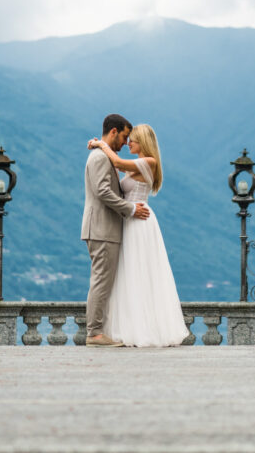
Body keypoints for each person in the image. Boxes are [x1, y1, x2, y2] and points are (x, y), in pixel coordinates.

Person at [88, 123, 189, 347]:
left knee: (140, 270)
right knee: (129, 273)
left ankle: (144, 329)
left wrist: (100, 143)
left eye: (131, 139)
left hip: (139, 219)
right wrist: (102, 145)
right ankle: (131, 326)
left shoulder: (149, 162)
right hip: (129, 219)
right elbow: (116, 168)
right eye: (126, 138)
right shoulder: (137, 166)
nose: (127, 143)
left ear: (142, 141)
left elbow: (116, 162)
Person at [81, 114, 150, 347]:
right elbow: (102, 191)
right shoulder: (100, 157)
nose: (125, 142)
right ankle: (94, 333)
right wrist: (130, 208)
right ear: (113, 132)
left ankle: (99, 330)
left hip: (102, 228)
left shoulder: (103, 155)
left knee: (103, 280)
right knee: (101, 280)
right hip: (102, 228)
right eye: (123, 136)